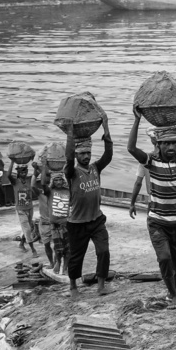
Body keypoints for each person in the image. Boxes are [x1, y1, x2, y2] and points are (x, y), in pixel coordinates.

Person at [127, 104, 176, 310]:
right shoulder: (150, 162)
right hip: (158, 222)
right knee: (165, 257)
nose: (171, 148)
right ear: (158, 145)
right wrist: (137, 119)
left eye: (174, 143)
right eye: (166, 144)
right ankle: (173, 294)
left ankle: (171, 290)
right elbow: (131, 149)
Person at [64, 113, 114, 299]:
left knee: (104, 251)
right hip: (77, 223)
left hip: (96, 220)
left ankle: (101, 285)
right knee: (76, 256)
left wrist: (106, 128)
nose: (86, 156)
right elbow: (68, 159)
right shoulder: (71, 172)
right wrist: (70, 134)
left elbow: (108, 155)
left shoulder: (95, 168)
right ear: (76, 154)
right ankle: (73, 287)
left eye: (88, 153)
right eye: (82, 153)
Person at [8, 157, 37, 255]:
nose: (23, 173)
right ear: (18, 172)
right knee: (28, 229)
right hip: (20, 210)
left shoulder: (29, 180)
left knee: (29, 227)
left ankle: (21, 243)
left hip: (30, 208)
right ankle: (33, 250)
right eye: (21, 171)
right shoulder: (15, 182)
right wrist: (12, 161)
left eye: (25, 171)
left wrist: (35, 163)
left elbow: (37, 172)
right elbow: (8, 175)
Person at [129, 129, 158, 219]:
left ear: (151, 141)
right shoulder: (169, 158)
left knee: (153, 229)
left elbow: (138, 183)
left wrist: (132, 204)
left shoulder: (146, 159)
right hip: (168, 201)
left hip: (152, 201)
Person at [45, 170, 70, 276]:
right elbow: (41, 184)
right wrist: (43, 167)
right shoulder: (50, 191)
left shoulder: (68, 191)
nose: (59, 182)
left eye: (60, 179)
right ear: (53, 181)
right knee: (58, 249)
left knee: (68, 249)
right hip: (55, 226)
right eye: (56, 180)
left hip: (67, 225)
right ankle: (58, 263)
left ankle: (65, 268)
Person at [34, 162, 54, 268]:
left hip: (54, 223)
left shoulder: (54, 193)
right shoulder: (41, 194)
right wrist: (35, 172)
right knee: (47, 245)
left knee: (59, 246)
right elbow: (33, 185)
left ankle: (57, 262)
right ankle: (52, 262)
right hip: (44, 224)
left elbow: (45, 184)